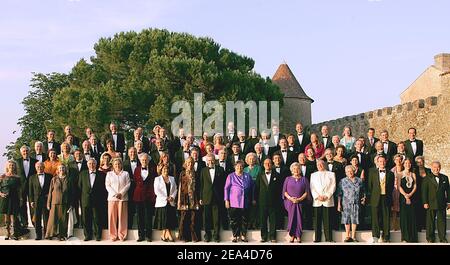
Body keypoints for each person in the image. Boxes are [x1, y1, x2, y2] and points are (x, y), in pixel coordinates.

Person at [224, 160, 254, 243]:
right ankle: (235, 236)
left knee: (245, 219)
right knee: (234, 220)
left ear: (243, 167)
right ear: (235, 167)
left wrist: (253, 199)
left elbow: (252, 188)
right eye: (237, 166)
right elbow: (226, 188)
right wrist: (226, 200)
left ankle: (244, 235)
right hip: (234, 202)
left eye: (241, 166)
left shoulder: (248, 176)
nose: (239, 168)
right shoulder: (230, 176)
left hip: (246, 201)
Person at [255, 158, 283, 243]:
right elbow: (257, 188)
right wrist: (255, 200)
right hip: (262, 201)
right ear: (263, 165)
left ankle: (272, 237)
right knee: (263, 220)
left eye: (269, 163)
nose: (267, 165)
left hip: (273, 202)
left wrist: (279, 201)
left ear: (272, 164)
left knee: (273, 220)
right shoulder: (260, 175)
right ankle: (263, 237)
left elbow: (279, 188)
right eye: (266, 163)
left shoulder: (277, 175)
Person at [200, 154, 226, 242]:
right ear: (206, 161)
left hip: (217, 197)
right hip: (206, 196)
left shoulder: (220, 169)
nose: (210, 162)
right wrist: (200, 197)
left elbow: (223, 185)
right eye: (209, 160)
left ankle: (216, 235)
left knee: (216, 218)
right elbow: (201, 185)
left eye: (212, 160)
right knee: (206, 217)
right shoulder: (203, 170)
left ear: (215, 160)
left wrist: (223, 197)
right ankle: (207, 235)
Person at [282, 162, 311, 243]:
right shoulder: (287, 179)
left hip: (300, 202)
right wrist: (291, 198)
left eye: (298, 168)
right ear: (291, 170)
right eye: (294, 169)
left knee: (299, 218)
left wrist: (299, 199)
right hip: (290, 202)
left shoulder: (304, 179)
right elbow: (284, 191)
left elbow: (306, 192)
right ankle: (292, 235)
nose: (296, 170)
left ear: (300, 170)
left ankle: (298, 236)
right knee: (292, 218)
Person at [368, 155, 395, 243]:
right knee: (375, 217)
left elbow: (391, 188)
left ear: (385, 162)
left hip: (386, 198)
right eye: (380, 161)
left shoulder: (391, 174)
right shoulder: (372, 173)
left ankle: (386, 237)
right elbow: (370, 186)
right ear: (377, 163)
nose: (382, 163)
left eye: (383, 161)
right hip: (375, 198)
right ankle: (375, 236)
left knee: (386, 217)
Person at [422, 161, 450, 243]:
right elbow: (424, 191)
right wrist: (425, 202)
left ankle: (442, 238)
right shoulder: (427, 178)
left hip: (441, 203)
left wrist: (449, 202)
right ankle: (430, 238)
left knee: (442, 221)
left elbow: (448, 191)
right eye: (434, 167)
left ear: (440, 168)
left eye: (437, 167)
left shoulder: (445, 178)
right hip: (430, 203)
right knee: (430, 221)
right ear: (431, 168)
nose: (436, 169)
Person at [78, 158, 105, 241]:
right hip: (85, 200)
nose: (91, 165)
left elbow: (104, 189)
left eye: (93, 163)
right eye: (90, 164)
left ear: (96, 165)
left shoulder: (102, 174)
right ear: (87, 165)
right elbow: (79, 187)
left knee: (97, 218)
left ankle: (98, 235)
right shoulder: (82, 174)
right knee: (86, 219)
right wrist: (80, 200)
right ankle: (87, 235)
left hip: (97, 200)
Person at [337, 165, 366, 242]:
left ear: (354, 171)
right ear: (345, 173)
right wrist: (339, 204)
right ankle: (347, 236)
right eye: (347, 172)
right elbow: (339, 194)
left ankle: (353, 236)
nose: (349, 173)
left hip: (356, 202)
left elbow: (363, 191)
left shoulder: (359, 181)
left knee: (354, 219)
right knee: (346, 219)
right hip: (345, 203)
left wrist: (363, 198)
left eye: (351, 171)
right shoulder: (342, 181)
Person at [45, 164, 74, 240]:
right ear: (57, 170)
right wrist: (48, 203)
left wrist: (71, 204)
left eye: (63, 168)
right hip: (54, 202)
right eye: (60, 168)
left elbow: (72, 193)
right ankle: (49, 234)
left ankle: (61, 235)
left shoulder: (69, 179)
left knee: (63, 220)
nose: (61, 169)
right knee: (52, 220)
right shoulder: (54, 179)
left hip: (65, 202)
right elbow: (50, 192)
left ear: (65, 169)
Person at [310, 159, 336, 242]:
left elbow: (333, 186)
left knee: (328, 220)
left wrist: (327, 196)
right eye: (318, 165)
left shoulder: (331, 174)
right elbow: (312, 187)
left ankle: (329, 238)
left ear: (324, 165)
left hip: (327, 200)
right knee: (317, 221)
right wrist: (317, 196)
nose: (320, 166)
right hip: (317, 200)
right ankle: (317, 239)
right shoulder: (313, 175)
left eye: (321, 164)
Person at [133, 153, 157, 242]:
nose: (144, 161)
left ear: (148, 161)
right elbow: (135, 180)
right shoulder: (136, 169)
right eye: (143, 160)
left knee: (148, 216)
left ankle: (148, 236)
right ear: (140, 161)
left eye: (146, 160)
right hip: (138, 196)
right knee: (140, 217)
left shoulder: (153, 169)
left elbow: (154, 182)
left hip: (149, 196)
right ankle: (141, 236)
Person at [105, 158, 131, 241]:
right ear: (113, 165)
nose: (117, 165)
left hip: (123, 198)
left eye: (119, 164)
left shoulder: (126, 174)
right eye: (115, 164)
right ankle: (113, 235)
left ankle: (122, 235)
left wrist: (121, 193)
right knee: (112, 217)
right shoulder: (109, 174)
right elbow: (107, 185)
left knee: (122, 217)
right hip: (112, 198)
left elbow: (128, 184)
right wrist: (115, 194)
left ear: (121, 164)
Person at [177, 157, 200, 242]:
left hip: (193, 198)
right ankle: (184, 237)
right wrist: (179, 201)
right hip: (184, 199)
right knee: (184, 218)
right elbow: (179, 187)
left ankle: (193, 237)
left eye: (191, 163)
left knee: (193, 219)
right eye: (188, 163)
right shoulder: (182, 174)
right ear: (186, 164)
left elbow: (198, 187)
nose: (190, 165)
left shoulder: (196, 174)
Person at [28, 162, 52, 240]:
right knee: (37, 219)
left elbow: (52, 189)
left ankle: (47, 234)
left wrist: (50, 196)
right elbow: (30, 191)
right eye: (38, 167)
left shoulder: (50, 176)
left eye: (41, 167)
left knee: (46, 218)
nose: (39, 168)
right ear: (35, 168)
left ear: (44, 167)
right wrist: (31, 201)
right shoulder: (32, 178)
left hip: (46, 200)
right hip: (36, 201)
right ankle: (38, 235)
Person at [154, 164, 177, 242]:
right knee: (164, 219)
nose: (165, 170)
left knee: (168, 219)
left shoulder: (172, 179)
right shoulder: (157, 179)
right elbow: (157, 191)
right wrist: (165, 198)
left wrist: (172, 197)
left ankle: (163, 235)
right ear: (161, 170)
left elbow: (175, 189)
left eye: (167, 169)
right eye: (164, 169)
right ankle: (169, 234)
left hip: (170, 202)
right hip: (162, 202)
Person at [16, 145, 37, 229]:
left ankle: (35, 222)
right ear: (21, 152)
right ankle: (24, 223)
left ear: (29, 152)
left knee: (33, 205)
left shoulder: (35, 161)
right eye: (24, 151)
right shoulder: (17, 162)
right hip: (21, 187)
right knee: (22, 205)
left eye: (27, 151)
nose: (25, 152)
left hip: (32, 187)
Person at [0, 161, 21, 240]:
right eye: (10, 165)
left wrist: (21, 198)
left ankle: (14, 233)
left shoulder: (18, 177)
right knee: (7, 217)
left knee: (14, 217)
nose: (11, 166)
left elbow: (20, 189)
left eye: (13, 165)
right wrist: (1, 194)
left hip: (15, 198)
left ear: (15, 167)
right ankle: (7, 233)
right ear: (7, 167)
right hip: (5, 199)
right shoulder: (3, 176)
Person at [399, 158, 418, 243]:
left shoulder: (413, 174)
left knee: (412, 217)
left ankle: (413, 238)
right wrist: (406, 196)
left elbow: (415, 186)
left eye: (409, 163)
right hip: (403, 197)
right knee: (404, 217)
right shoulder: (400, 174)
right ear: (403, 164)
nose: (408, 164)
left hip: (412, 197)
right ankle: (405, 238)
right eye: (406, 163)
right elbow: (399, 186)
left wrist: (410, 195)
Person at [244, 152, 262, 230]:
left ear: (255, 160)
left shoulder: (259, 168)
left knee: (255, 207)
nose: (251, 160)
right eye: (250, 159)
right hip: (247, 191)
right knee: (247, 207)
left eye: (253, 159)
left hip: (256, 189)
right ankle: (248, 223)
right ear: (247, 160)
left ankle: (255, 223)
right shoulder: (244, 169)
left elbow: (259, 179)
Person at [414, 156, 430, 231]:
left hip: (427, 193)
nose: (420, 163)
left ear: (423, 162)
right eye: (418, 162)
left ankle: (425, 225)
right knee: (418, 209)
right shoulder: (414, 171)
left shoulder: (428, 171)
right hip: (417, 193)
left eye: (421, 162)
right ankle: (418, 226)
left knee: (426, 210)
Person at [390, 154, 403, 231]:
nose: (398, 161)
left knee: (403, 209)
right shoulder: (392, 170)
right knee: (394, 210)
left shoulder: (405, 169)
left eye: (400, 159)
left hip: (404, 191)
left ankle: (402, 226)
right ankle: (394, 226)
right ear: (394, 161)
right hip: (394, 191)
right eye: (397, 160)